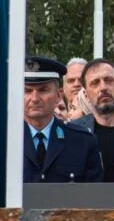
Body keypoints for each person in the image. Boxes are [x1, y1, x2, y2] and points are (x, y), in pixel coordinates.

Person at [21, 55, 104, 183]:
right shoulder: (6, 141)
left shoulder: (82, 142)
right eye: (27, 91)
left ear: (58, 96)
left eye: (43, 90)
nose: (35, 98)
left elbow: (94, 193)